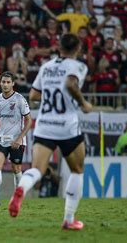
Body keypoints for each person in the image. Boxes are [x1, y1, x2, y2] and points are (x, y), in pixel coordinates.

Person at [9, 34, 93, 230]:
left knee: (38, 169)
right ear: (78, 48)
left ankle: (21, 188)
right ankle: (69, 219)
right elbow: (71, 84)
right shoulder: (78, 66)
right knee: (77, 170)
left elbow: (34, 95)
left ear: (59, 47)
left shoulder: (47, 67)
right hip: (67, 126)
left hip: (45, 124)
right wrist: (83, 103)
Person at [0, 72, 32, 207]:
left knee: (16, 169)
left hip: (17, 140)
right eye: (3, 82)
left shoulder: (20, 99)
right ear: (0, 83)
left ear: (13, 84)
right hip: (2, 138)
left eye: (8, 82)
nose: (5, 85)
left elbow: (29, 121)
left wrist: (20, 138)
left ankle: (17, 198)